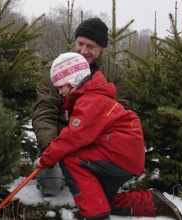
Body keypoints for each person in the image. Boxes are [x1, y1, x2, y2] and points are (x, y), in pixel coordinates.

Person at [33, 51, 182, 220]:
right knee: (99, 198)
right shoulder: (92, 96)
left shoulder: (89, 100)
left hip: (118, 154)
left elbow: (73, 137)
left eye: (61, 86)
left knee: (70, 158)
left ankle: (95, 215)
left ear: (72, 81)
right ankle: (152, 203)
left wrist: (45, 158)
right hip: (125, 155)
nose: (60, 92)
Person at [32, 17, 109, 197]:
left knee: (100, 191)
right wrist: (51, 149)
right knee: (51, 187)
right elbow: (44, 112)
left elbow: (118, 112)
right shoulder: (57, 70)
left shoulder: (113, 73)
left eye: (91, 46)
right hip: (59, 140)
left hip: (94, 143)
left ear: (102, 49)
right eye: (80, 43)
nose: (83, 51)